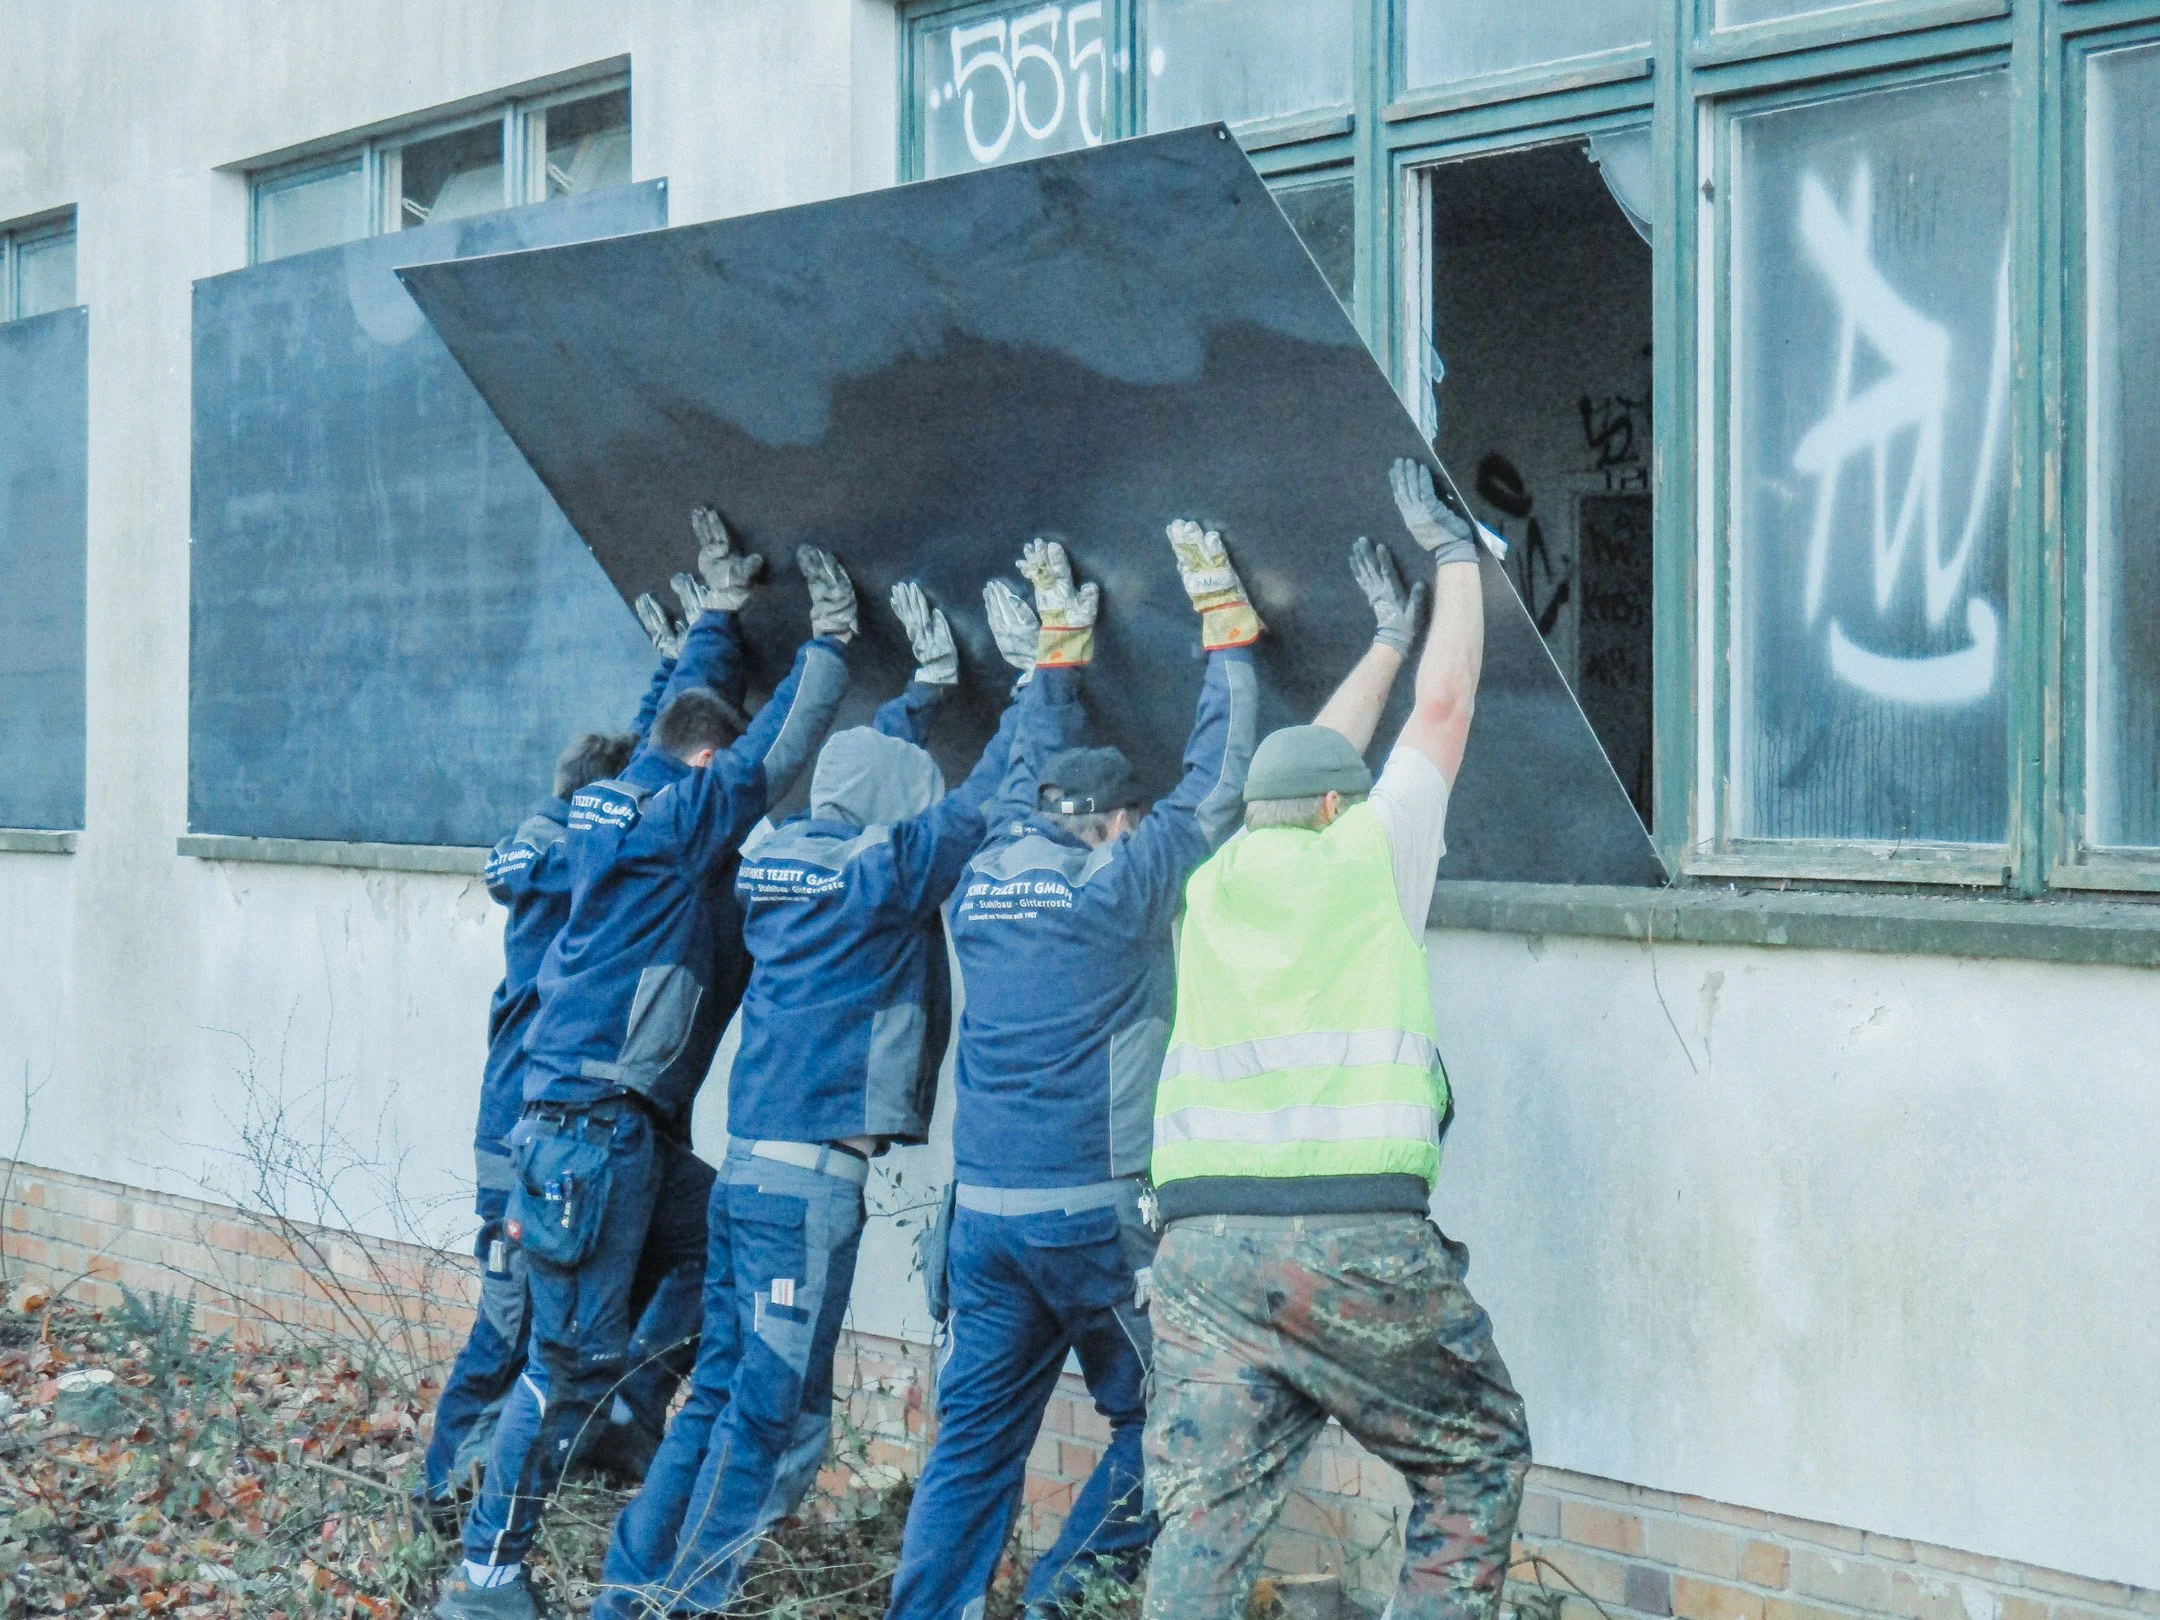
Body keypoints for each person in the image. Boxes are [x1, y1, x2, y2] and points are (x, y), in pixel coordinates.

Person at [594, 576, 1068, 1617]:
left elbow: (870, 776)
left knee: (715, 1400)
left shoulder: (778, 860)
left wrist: (921, 698)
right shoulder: (881, 876)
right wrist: (1044, 677)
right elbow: (980, 803)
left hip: (746, 1175)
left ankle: (627, 1595)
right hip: (806, 1196)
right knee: (769, 1428)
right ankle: (687, 1603)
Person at [435, 528, 856, 1620]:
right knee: (557, 1362)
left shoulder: (614, 804)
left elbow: (674, 725)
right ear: (701, 774)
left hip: (614, 1138)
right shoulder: (675, 825)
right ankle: (486, 1571)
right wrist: (830, 643)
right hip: (589, 1138)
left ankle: (625, 1418)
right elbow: (764, 760)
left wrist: (716, 619)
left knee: (722, 1233)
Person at [1140, 461, 1530, 1620]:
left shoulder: (1212, 885)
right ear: (1335, 812)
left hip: (1201, 1258)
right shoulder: (1369, 855)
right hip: (1352, 1244)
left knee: (1205, 1520)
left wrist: (1385, 642)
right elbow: (1443, 716)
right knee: (1475, 1455)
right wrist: (1457, 563)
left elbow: (1303, 769)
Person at [883, 522, 1262, 1620]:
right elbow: (1217, 786)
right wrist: (1226, 635)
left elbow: (1017, 783)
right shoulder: (1119, 886)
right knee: (1175, 1418)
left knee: (973, 1446)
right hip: (1094, 1223)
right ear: (1116, 823)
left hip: (985, 1222)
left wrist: (1057, 659)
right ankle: (1061, 1600)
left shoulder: (984, 878)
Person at [418, 516, 751, 1526]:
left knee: (565, 1321)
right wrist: (703, 635)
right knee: (512, 1334)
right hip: (539, 1134)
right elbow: (650, 771)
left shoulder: (570, 847)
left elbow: (645, 756)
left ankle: (549, 1463)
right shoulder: (591, 870)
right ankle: (451, 1501)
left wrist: (689, 651)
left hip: (567, 1129)